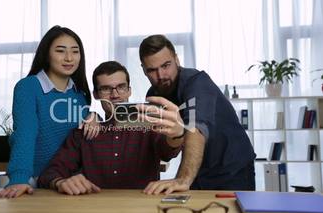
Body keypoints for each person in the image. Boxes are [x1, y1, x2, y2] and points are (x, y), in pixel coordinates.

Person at [38, 61, 184, 195]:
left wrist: (177, 135)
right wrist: (62, 182)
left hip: (141, 210)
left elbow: (168, 152)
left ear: (129, 91)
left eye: (121, 87)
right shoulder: (84, 131)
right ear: (96, 94)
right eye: (106, 89)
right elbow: (49, 174)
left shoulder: (149, 125)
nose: (115, 95)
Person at [138, 34, 256, 194]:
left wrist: (183, 179)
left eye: (166, 65)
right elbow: (166, 145)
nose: (161, 75)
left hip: (232, 169)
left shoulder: (197, 82)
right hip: (198, 171)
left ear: (176, 60)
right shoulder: (154, 95)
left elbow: (196, 129)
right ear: (144, 70)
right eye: (152, 70)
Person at [0, 26, 98, 198]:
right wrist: (20, 178)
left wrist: (95, 117)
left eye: (75, 51)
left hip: (71, 184)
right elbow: (25, 135)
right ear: (46, 53)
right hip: (36, 182)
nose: (69, 58)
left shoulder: (81, 95)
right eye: (60, 51)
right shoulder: (28, 87)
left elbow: (81, 135)